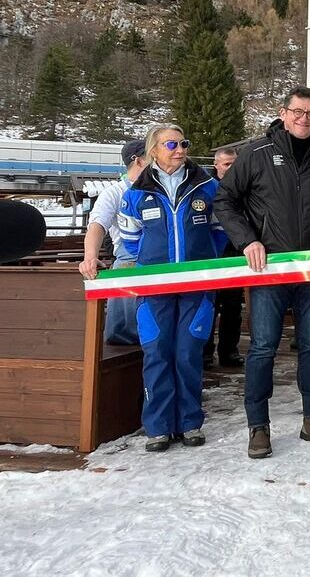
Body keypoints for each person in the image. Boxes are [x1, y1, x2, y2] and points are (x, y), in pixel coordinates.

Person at [215, 86, 310, 459]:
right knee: (262, 348)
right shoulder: (256, 154)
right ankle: (258, 427)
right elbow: (224, 200)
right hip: (268, 269)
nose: (304, 119)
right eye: (298, 111)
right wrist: (247, 241)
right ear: (283, 112)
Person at [118, 125, 225, 452]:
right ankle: (159, 426)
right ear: (154, 150)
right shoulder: (136, 193)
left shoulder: (208, 186)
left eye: (184, 144)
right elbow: (130, 239)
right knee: (157, 350)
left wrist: (205, 260)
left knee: (188, 351)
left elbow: (221, 231)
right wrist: (151, 265)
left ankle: (190, 422)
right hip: (154, 288)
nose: (180, 150)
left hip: (197, 286)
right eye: (172, 144)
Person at [79, 139, 146, 345]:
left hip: (160, 256)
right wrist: (90, 256)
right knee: (125, 325)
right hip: (130, 258)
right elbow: (98, 224)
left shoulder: (160, 188)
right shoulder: (114, 192)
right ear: (139, 161)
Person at [205, 146, 245, 368]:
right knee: (209, 305)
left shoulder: (242, 187)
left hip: (235, 251)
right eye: (226, 164)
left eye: (234, 164)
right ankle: (205, 353)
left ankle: (229, 351)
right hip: (211, 253)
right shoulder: (206, 188)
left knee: (232, 306)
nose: (231, 168)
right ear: (216, 165)